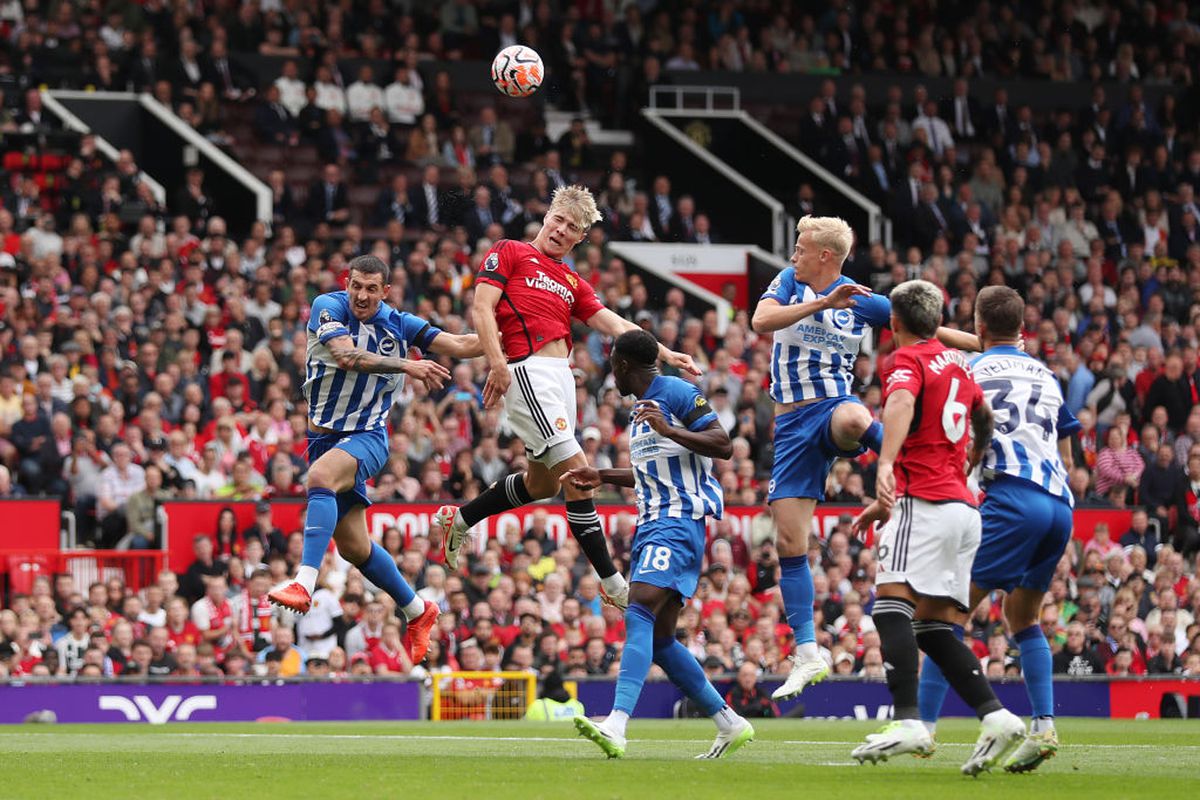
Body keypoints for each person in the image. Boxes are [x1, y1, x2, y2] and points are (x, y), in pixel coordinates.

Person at [432, 186, 699, 611]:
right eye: (558, 219)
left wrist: (664, 352)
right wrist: (498, 364)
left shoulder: (571, 280)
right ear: (547, 216)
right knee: (579, 472)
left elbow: (613, 322)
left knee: (541, 483)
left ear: (580, 238)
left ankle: (459, 519)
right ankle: (613, 583)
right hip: (526, 371)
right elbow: (482, 309)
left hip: (561, 378)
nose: (561, 230)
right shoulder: (511, 251)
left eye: (572, 227)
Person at [267, 255, 481, 668]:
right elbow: (347, 356)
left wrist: (509, 334)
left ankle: (304, 582)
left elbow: (460, 345)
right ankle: (417, 609)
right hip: (323, 439)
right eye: (356, 286)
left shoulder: (400, 324)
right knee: (354, 547)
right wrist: (408, 365)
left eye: (371, 289)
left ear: (386, 291)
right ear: (346, 283)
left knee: (319, 477)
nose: (361, 296)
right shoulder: (327, 307)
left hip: (367, 437)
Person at [849, 280, 1025, 775]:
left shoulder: (904, 360)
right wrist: (973, 458)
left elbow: (902, 403)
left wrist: (886, 464)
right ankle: (997, 717)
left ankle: (908, 721)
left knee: (890, 605)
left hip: (923, 503)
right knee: (932, 627)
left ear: (894, 323)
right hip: (962, 510)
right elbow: (983, 416)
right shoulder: (958, 363)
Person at [562, 329, 753, 760]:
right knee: (662, 640)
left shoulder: (676, 392)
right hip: (652, 521)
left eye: (613, 367)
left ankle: (617, 723)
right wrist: (602, 475)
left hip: (678, 520)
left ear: (623, 365)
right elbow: (654, 472)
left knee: (640, 608)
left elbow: (722, 444)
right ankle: (728, 722)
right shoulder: (639, 409)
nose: (612, 376)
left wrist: (668, 428)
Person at [918, 286, 1080, 773]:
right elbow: (1069, 456)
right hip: (1059, 506)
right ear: (1022, 328)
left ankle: (924, 727)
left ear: (978, 326)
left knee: (942, 616)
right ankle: (1043, 726)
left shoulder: (968, 371)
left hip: (1011, 499)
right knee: (1022, 616)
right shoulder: (1047, 375)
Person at [749, 216, 890, 700]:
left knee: (852, 418)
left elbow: (921, 325)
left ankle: (910, 465)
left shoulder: (861, 299)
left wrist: (983, 342)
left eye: (800, 248)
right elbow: (761, 321)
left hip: (831, 409)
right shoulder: (791, 283)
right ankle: (808, 654)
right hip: (791, 428)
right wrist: (823, 303)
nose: (793, 256)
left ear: (825, 255)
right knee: (789, 543)